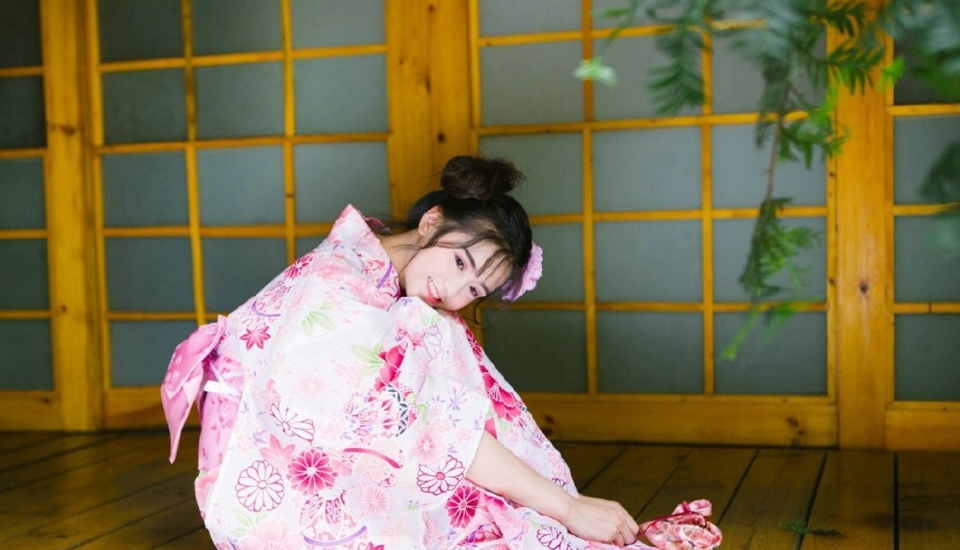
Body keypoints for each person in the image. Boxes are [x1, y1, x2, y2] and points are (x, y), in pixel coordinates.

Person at [161, 156, 721, 549]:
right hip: (267, 485)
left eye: (474, 288)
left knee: (438, 332)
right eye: (459, 262)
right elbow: (423, 425)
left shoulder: (385, 279)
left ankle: (548, 506)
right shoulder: (337, 287)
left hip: (312, 453)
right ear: (432, 223)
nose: (454, 291)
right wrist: (566, 508)